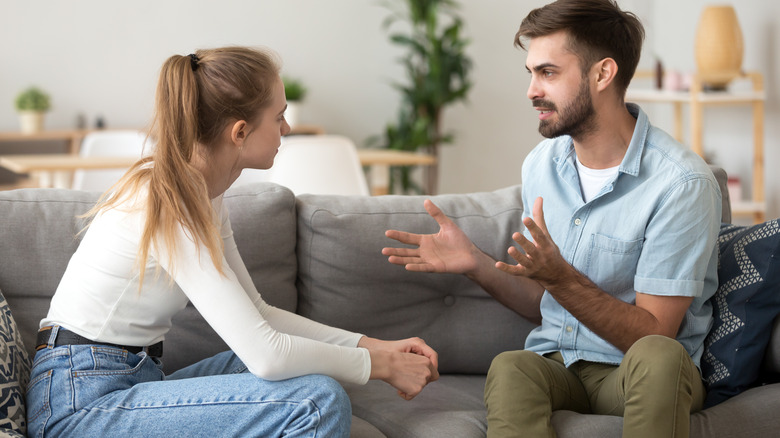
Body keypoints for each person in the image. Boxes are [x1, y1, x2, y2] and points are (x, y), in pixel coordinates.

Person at [27, 46, 438, 438]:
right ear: (240, 132)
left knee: (303, 369)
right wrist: (380, 366)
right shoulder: (169, 200)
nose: (287, 129)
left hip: (131, 378)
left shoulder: (204, 194)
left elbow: (260, 315)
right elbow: (267, 354)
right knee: (316, 401)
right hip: (80, 402)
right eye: (279, 117)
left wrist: (375, 347)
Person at [382, 1, 721, 437]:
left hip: (637, 372)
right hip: (560, 365)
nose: (531, 90)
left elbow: (654, 334)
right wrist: (475, 262)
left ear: (602, 74)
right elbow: (543, 300)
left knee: (660, 356)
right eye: (531, 72)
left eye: (548, 72)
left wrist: (559, 276)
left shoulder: (680, 183)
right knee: (513, 366)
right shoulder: (542, 164)